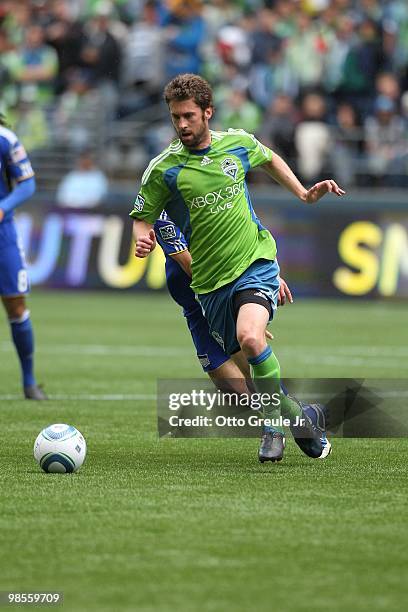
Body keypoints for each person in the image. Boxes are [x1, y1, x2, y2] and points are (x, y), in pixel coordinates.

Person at [130, 74, 345, 462]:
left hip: (249, 267)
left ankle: (274, 428)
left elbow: (268, 158)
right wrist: (142, 236)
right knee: (239, 391)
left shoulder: (237, 144)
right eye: (175, 117)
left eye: (189, 116)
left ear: (207, 112)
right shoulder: (165, 174)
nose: (181, 125)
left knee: (250, 338)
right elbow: (160, 234)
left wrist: (301, 194)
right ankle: (302, 418)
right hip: (204, 291)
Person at [0, 114, 47, 400]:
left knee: (16, 307)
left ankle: (29, 382)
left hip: (2, 235)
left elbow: (27, 183)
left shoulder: (5, 139)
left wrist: (3, 207)